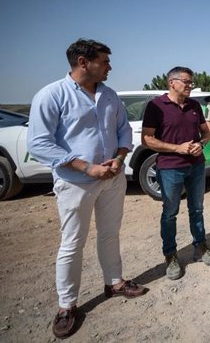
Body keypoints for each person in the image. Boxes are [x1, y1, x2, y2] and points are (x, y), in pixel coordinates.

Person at [28, 39, 147, 339]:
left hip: (112, 179)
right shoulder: (51, 95)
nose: (110, 67)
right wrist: (86, 167)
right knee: (72, 243)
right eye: (105, 61)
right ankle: (67, 306)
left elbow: (123, 130)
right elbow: (39, 143)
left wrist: (120, 158)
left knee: (110, 234)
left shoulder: (109, 95)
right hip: (75, 183)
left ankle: (115, 282)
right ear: (83, 62)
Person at [141, 66, 210, 281]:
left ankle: (201, 246)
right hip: (170, 167)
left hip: (196, 166)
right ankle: (171, 255)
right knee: (170, 213)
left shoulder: (195, 105)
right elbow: (146, 139)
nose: (190, 85)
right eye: (186, 82)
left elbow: (205, 133)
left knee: (197, 209)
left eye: (191, 82)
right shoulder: (156, 106)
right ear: (172, 83)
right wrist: (177, 148)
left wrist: (200, 144)